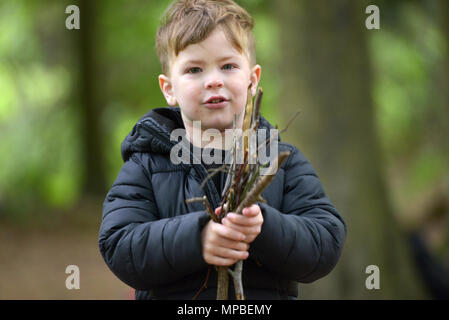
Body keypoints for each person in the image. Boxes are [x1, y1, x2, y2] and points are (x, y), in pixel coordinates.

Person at [98, 0, 346, 300]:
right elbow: (119, 245)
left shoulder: (281, 161)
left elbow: (326, 242)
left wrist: (264, 227)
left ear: (253, 79)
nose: (214, 80)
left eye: (228, 66)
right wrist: (197, 237)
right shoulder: (146, 165)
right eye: (194, 69)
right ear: (169, 89)